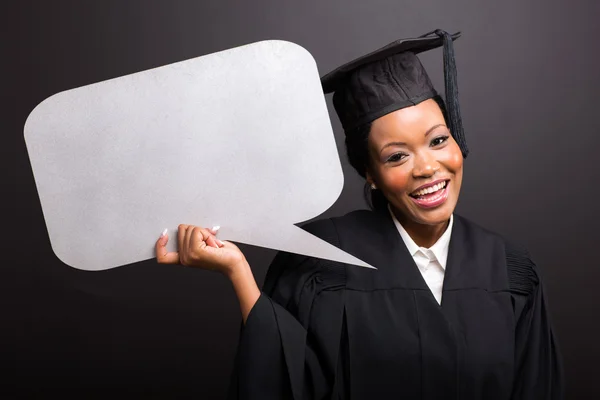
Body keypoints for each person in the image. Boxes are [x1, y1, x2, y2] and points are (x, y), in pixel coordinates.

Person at [155, 30, 564, 399]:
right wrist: (237, 272)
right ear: (370, 173)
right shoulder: (321, 260)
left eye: (438, 141)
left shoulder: (511, 271)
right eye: (397, 156)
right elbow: (285, 380)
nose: (426, 168)